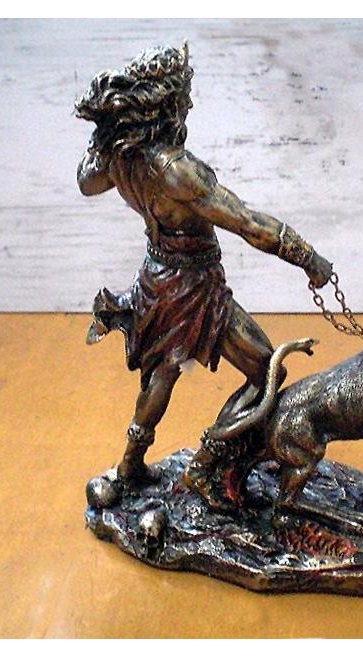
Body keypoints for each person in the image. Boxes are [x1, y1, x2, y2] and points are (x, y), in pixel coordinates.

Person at [75, 45, 332, 508]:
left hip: (156, 279)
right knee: (266, 370)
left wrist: (106, 138)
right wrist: (309, 258)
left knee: (162, 374)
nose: (189, 106)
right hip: (195, 287)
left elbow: (86, 183)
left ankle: (130, 465)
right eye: (184, 99)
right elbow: (249, 224)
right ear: (168, 106)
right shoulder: (177, 170)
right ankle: (209, 461)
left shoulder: (119, 159)